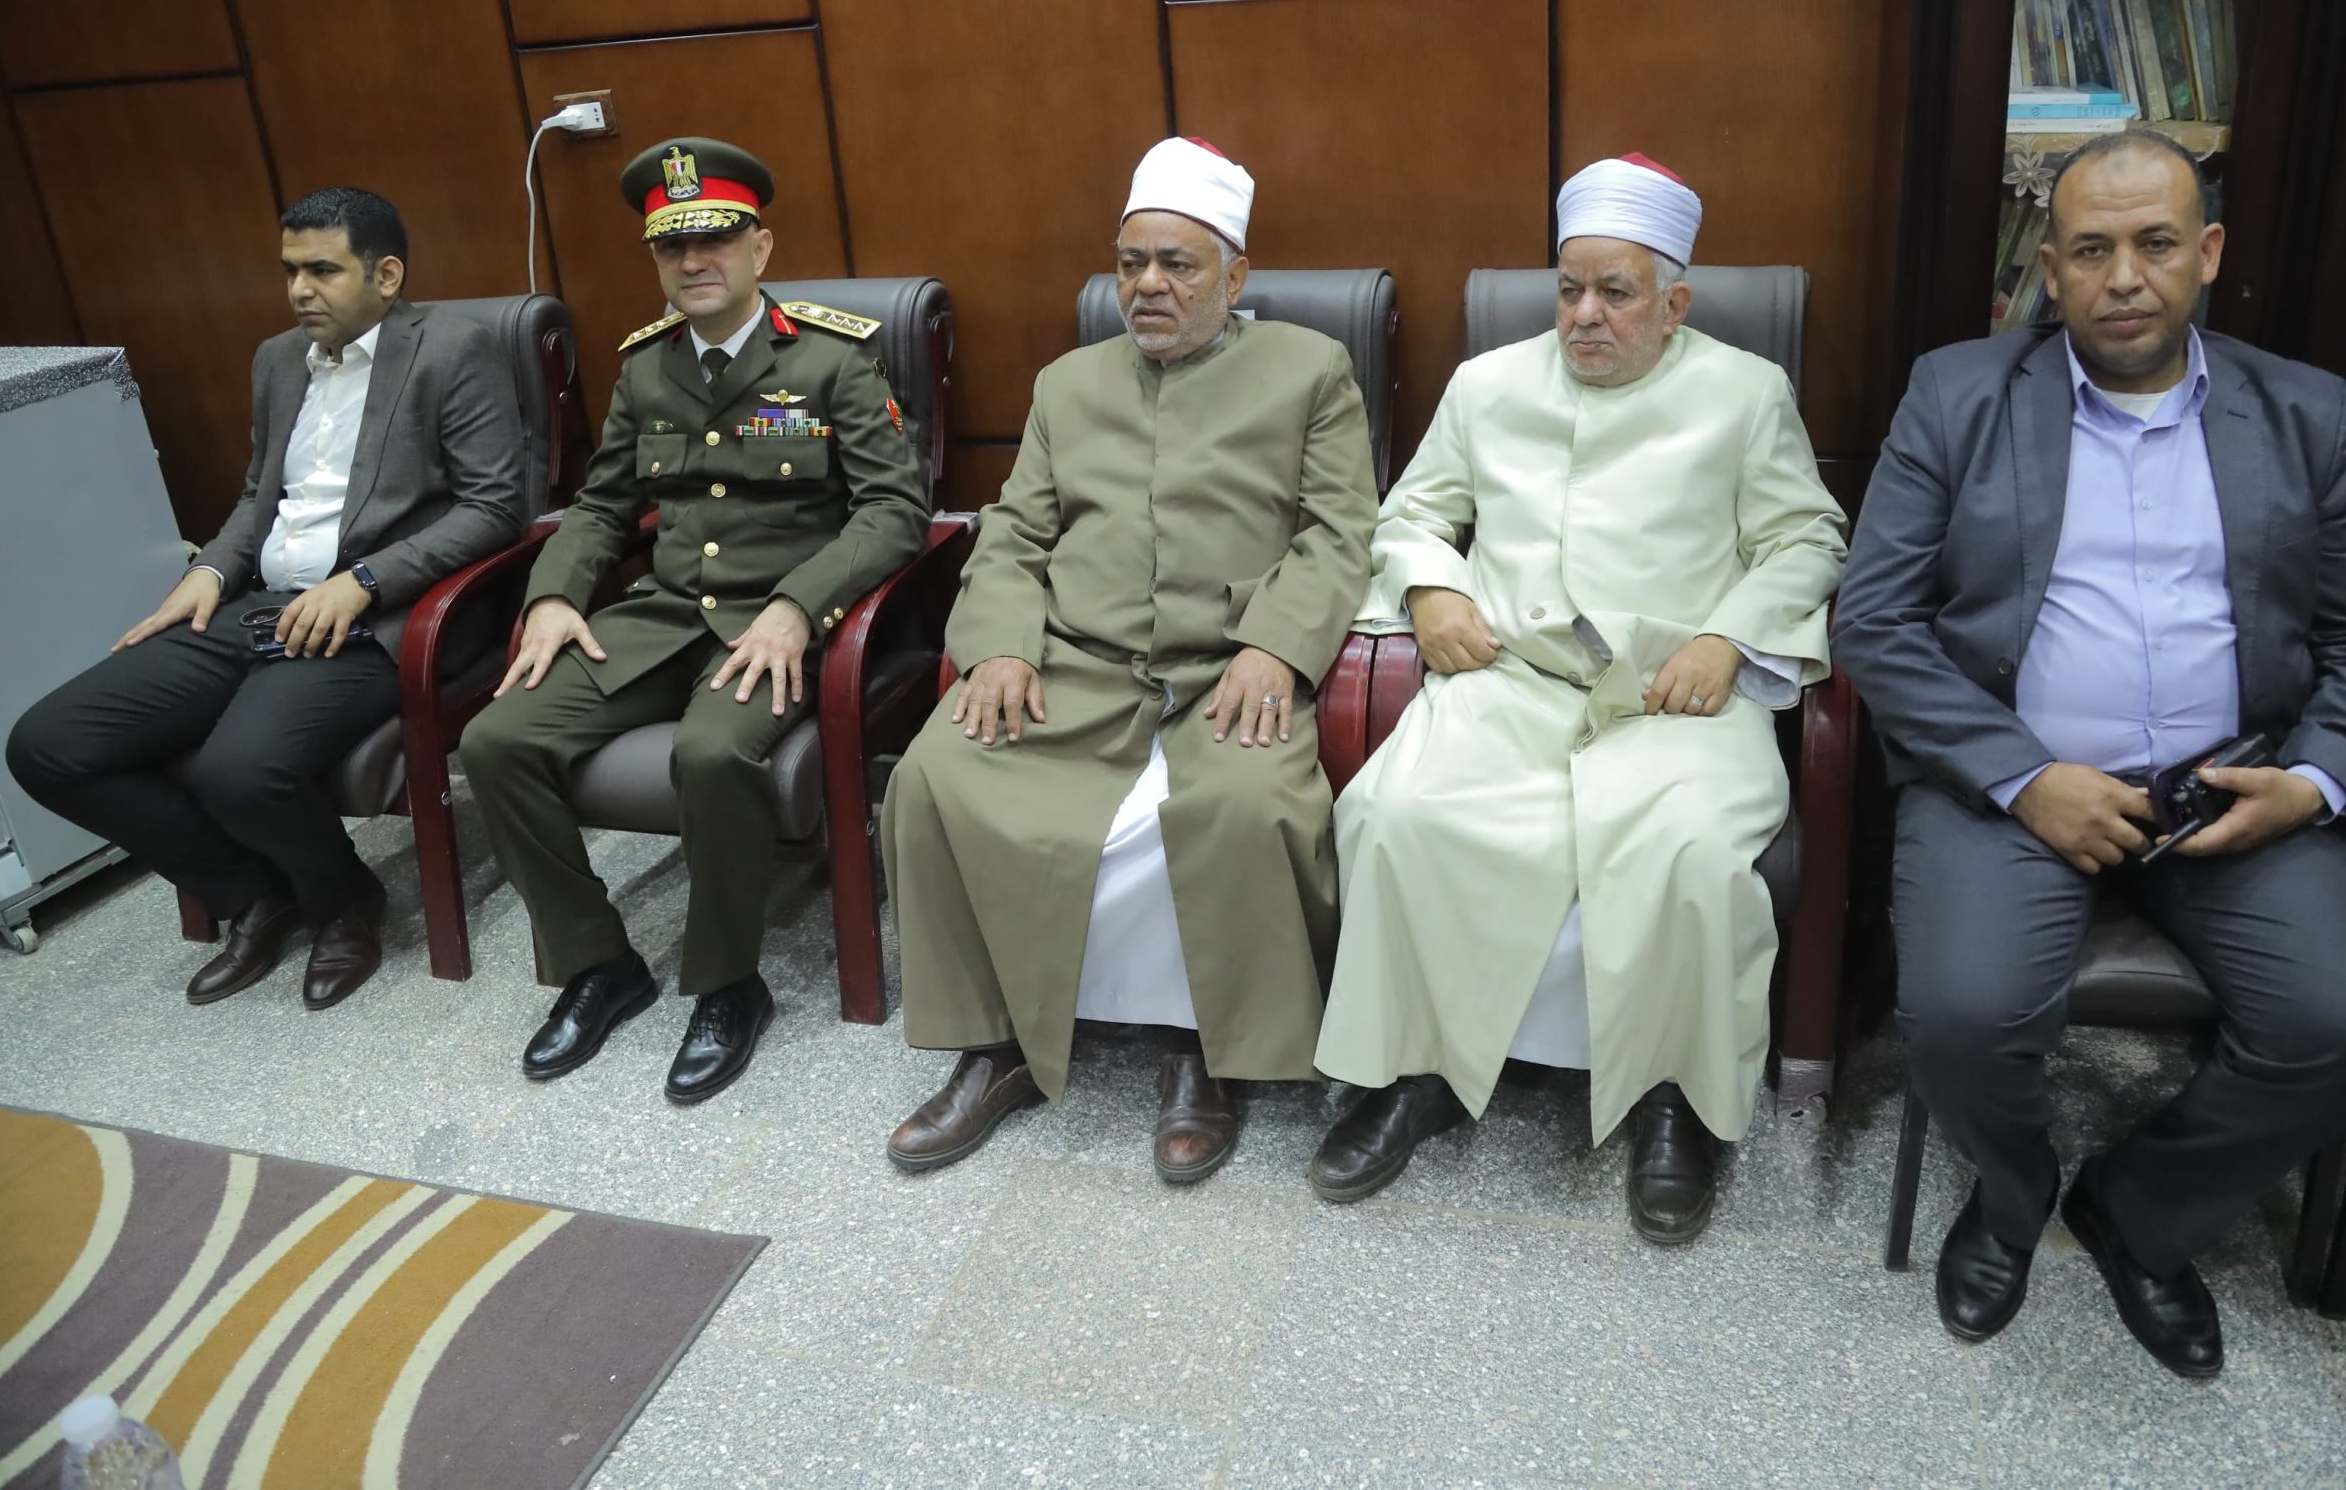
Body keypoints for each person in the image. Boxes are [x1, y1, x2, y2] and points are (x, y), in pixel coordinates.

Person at [1833, 129, 2346, 1377]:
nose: (2124, 278)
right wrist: (2024, 778)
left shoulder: (2298, 410)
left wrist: (2309, 781)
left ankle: (2140, 1212)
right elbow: (1872, 622)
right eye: (2090, 251)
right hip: (2012, 782)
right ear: (2049, 271)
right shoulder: (1959, 394)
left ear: (2207, 252)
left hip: (2230, 787)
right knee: (1959, 1020)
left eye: (2155, 244)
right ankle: (2011, 1199)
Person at [1308, 154, 1848, 1241]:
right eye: (1568, 289)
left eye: (1616, 292)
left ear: (1674, 303)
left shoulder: (1745, 392)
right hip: (1512, 676)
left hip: (1671, 694)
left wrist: (1726, 637)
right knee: (1393, 812)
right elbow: (1411, 514)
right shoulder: (1488, 385)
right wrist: (1431, 588)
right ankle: (1410, 1072)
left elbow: (1806, 537)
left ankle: (1674, 1105)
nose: (1585, 315)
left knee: (1692, 856)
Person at [881, 136, 1377, 1181]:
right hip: (1079, 665)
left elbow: (1339, 533)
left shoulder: (1310, 370)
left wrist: (1277, 649)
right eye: (1131, 264)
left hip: (1227, 671)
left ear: (1234, 277)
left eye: (1177, 265)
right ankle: (996, 1044)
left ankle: (1208, 1053)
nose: (1147, 285)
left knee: (1248, 807)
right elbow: (1014, 532)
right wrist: (1001, 646)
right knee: (936, 774)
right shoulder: (1067, 383)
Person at [459, 137, 927, 1103]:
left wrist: (800, 607)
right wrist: (554, 595)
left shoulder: (833, 358)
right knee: (496, 739)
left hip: (777, 627)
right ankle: (599, 964)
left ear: (760, 247)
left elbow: (894, 509)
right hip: (664, 618)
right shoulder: (646, 368)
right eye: (673, 245)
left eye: (715, 238)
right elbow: (601, 507)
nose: (694, 260)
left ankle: (727, 984)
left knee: (712, 753)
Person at [7, 187, 525, 1008]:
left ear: (387, 275)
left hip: (381, 618)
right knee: (49, 745)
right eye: (289, 271)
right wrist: (210, 571)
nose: (299, 291)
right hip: (261, 605)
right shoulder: (278, 360)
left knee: (241, 770)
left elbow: (495, 507)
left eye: (322, 270)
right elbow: (259, 496)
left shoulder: (455, 350)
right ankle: (254, 892)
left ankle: (343, 902)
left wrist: (364, 581)